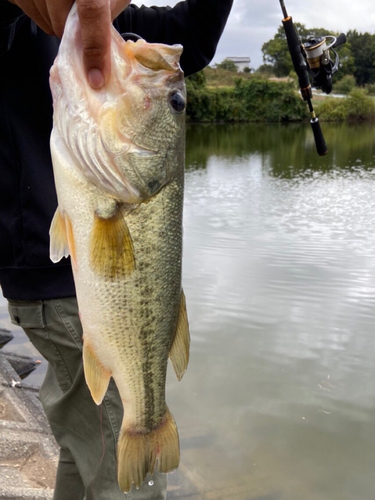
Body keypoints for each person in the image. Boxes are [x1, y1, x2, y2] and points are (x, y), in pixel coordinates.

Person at [0, 1, 233, 499]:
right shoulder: (20, 21)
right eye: (174, 103)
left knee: (86, 452)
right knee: (127, 487)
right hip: (66, 295)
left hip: (71, 293)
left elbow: (191, 33)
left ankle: (145, 423)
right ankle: (144, 425)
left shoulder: (110, 29)